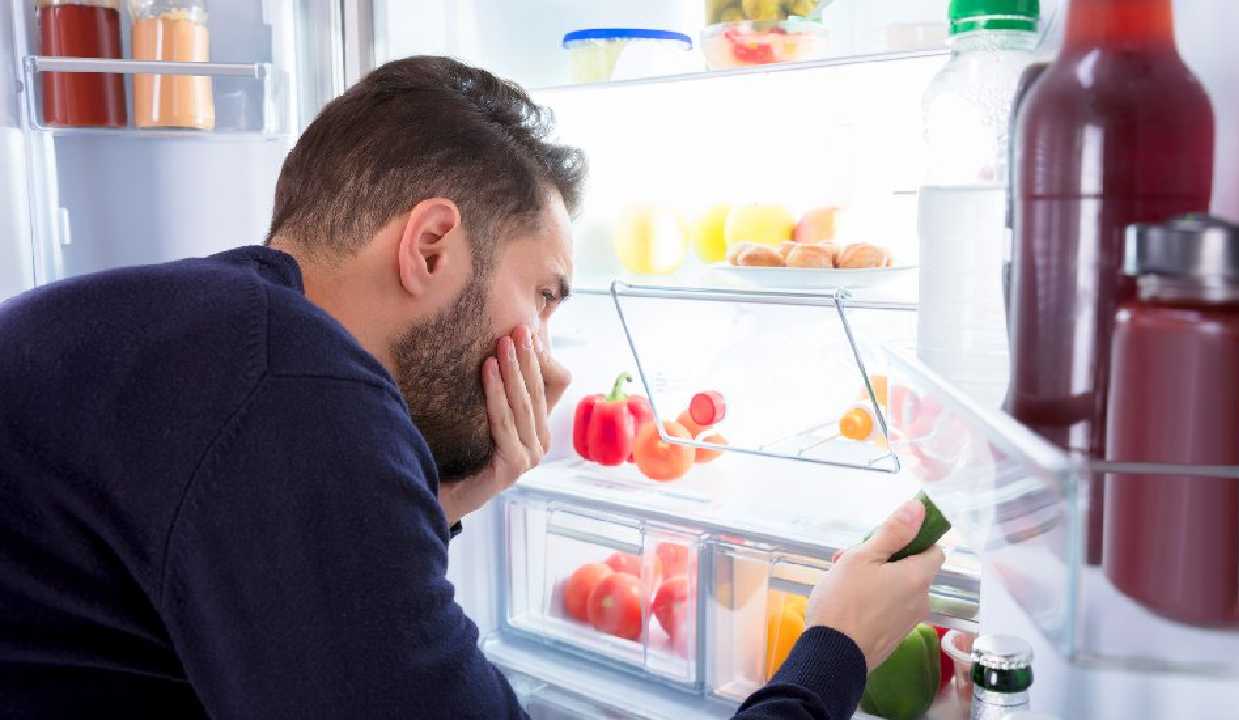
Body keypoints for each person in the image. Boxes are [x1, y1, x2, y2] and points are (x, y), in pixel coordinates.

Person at [0, 56, 944, 719]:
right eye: (544, 296)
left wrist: (445, 496)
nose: (549, 360)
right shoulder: (294, 385)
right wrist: (835, 652)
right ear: (430, 246)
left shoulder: (210, 335)